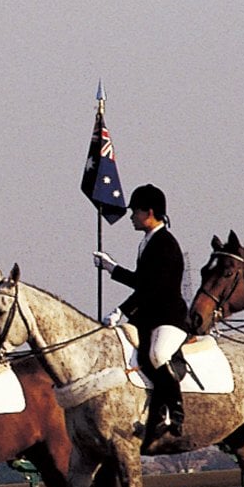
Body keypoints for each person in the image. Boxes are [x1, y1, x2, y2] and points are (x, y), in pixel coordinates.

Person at [92, 184, 189, 438]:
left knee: (157, 355)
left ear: (150, 212)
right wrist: (111, 267)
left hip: (169, 316)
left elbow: (153, 289)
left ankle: (175, 410)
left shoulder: (166, 244)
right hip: (148, 316)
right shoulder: (147, 241)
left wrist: (120, 310)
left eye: (135, 211)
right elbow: (141, 281)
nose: (132, 217)